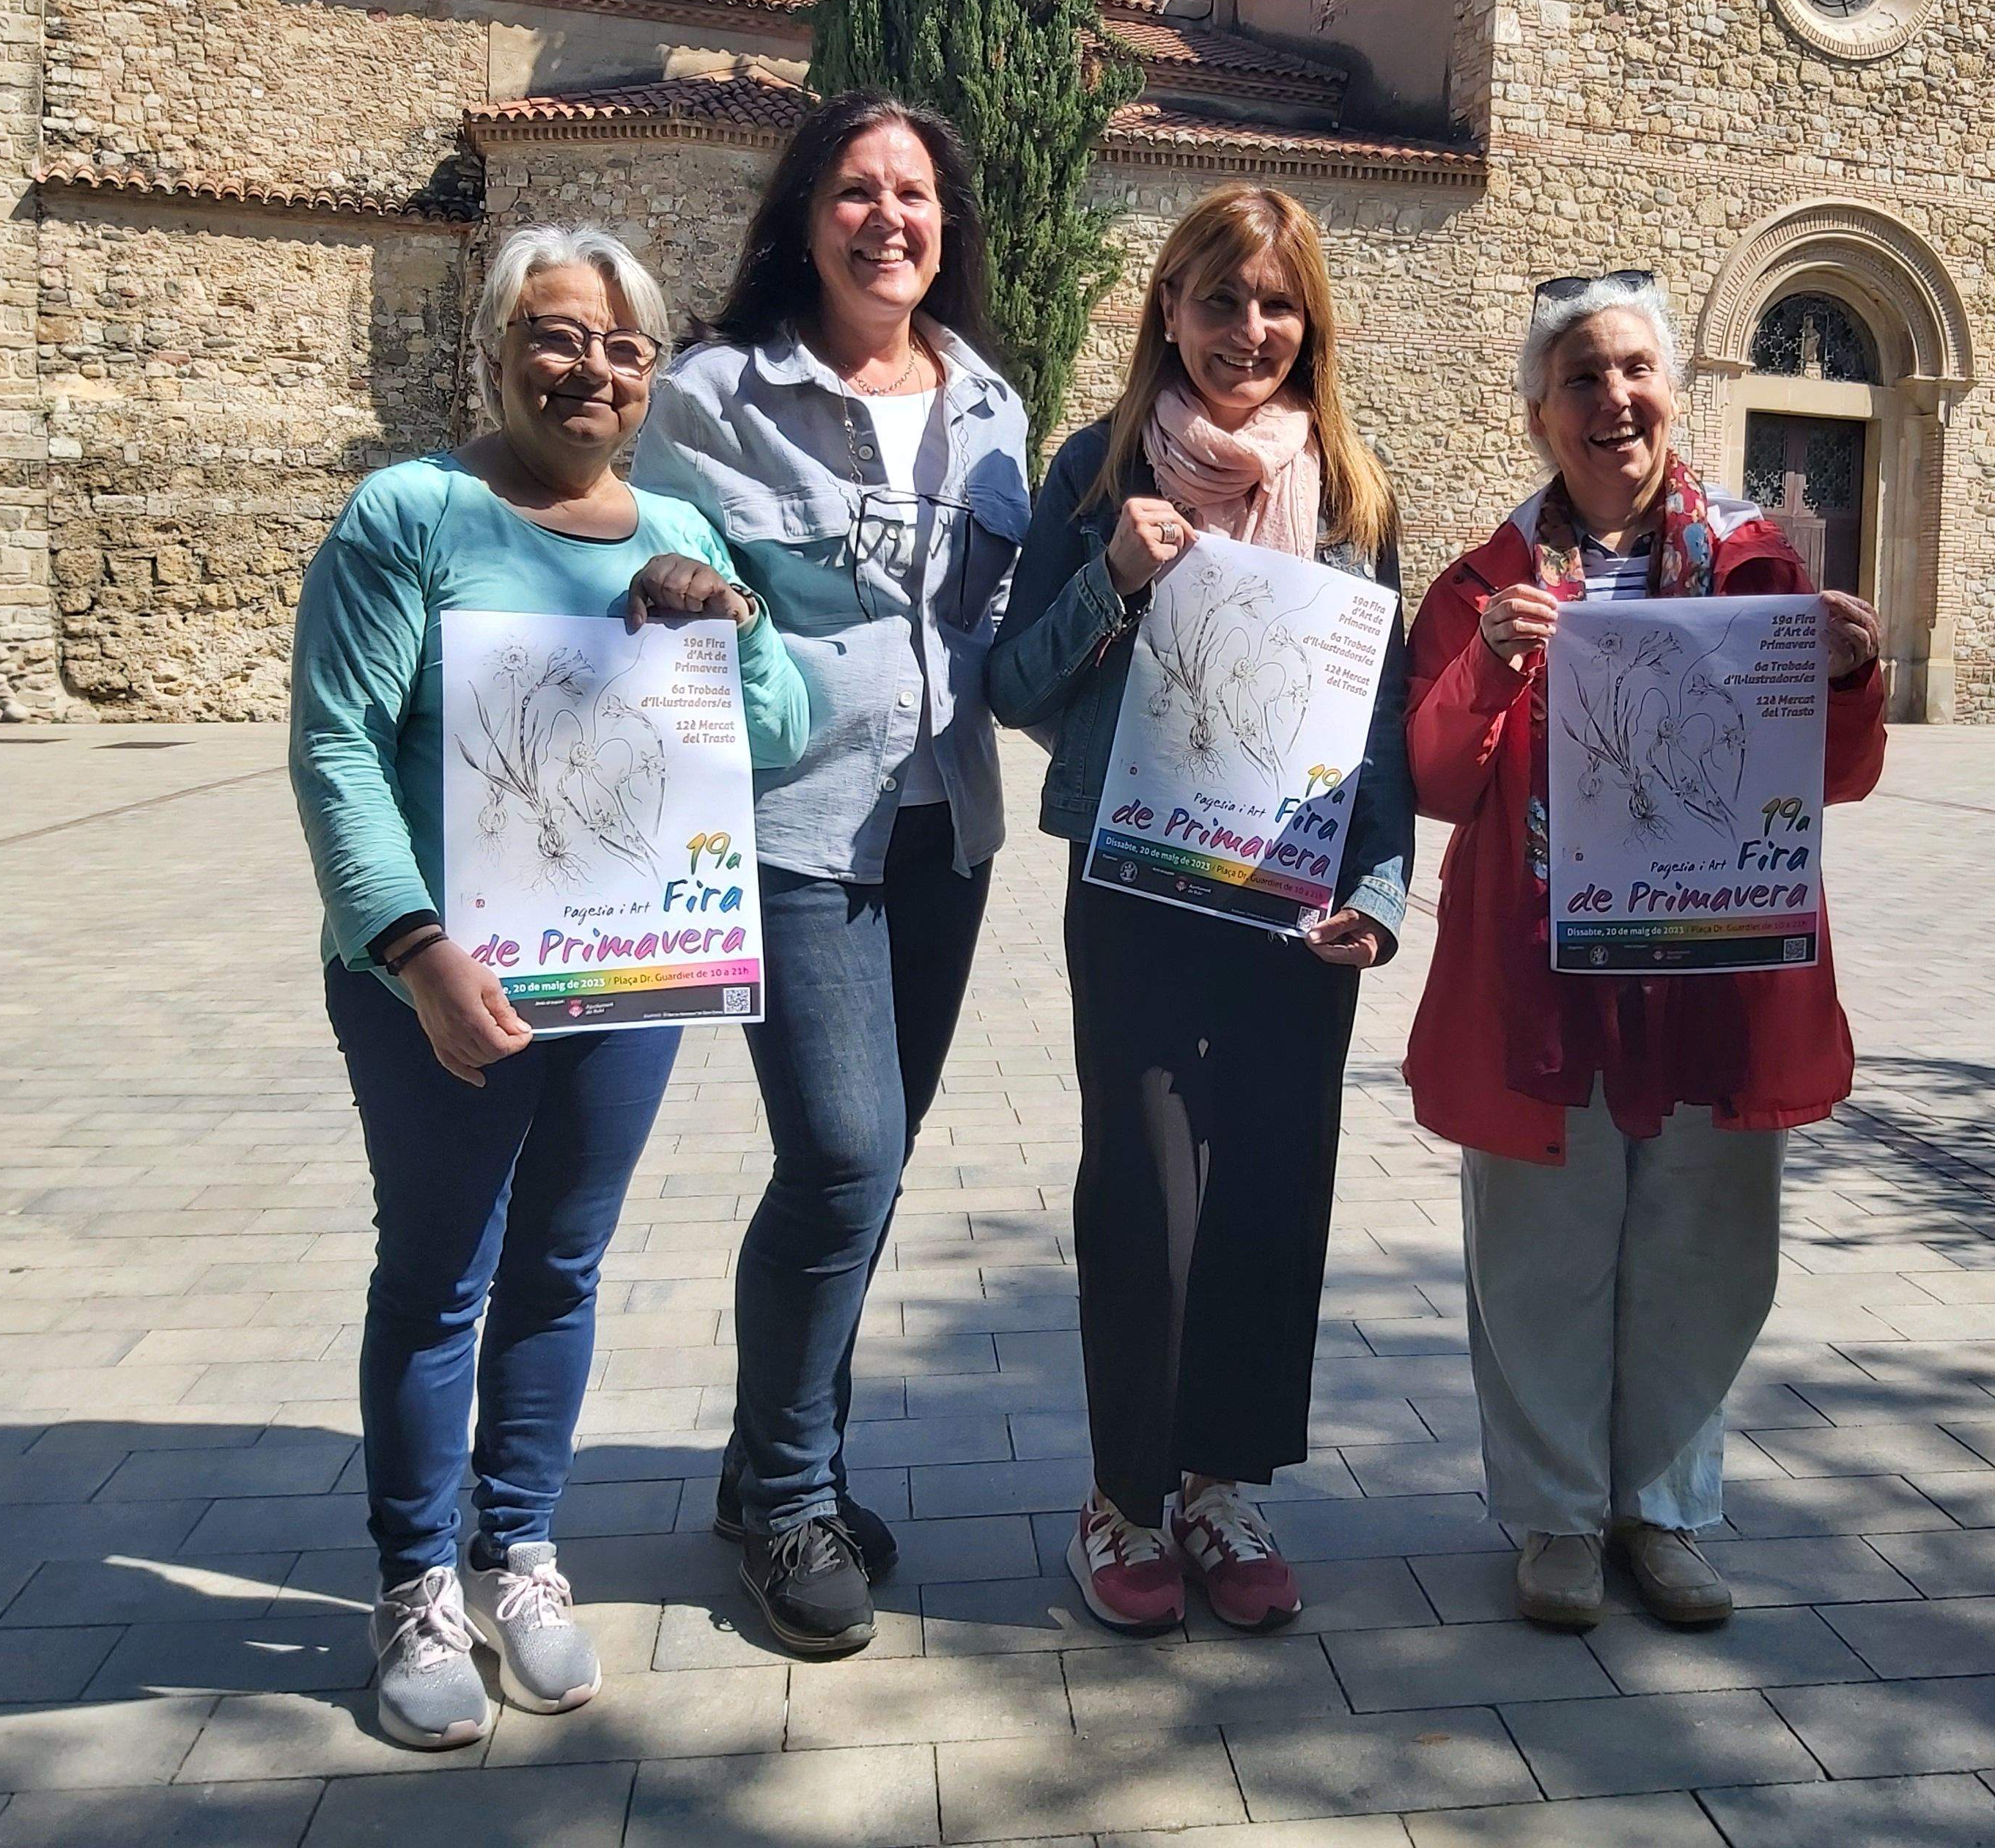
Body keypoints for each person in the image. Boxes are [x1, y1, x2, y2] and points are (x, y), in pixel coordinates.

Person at [288, 225, 808, 1748]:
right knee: (443, 1271)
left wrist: (737, 620)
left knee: (562, 1272)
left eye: (621, 346)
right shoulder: (415, 515)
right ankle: (412, 1582)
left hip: (623, 973)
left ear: (650, 374)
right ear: (498, 352)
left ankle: (519, 1550)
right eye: (557, 336)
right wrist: (412, 947)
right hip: (436, 987)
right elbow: (336, 747)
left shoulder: (686, 525)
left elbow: (768, 735)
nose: (591, 367)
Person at [1403, 270, 1885, 1631]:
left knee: (1705, 1245)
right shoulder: (1486, 582)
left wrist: (1847, 677)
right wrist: (1493, 663)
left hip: (1719, 971)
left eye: (1633, 371)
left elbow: (1831, 781)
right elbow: (1433, 776)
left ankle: (1663, 1510)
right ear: (1541, 415)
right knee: (1540, 1254)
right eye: (1580, 378)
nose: (1613, 399)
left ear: (1673, 391)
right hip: (1541, 975)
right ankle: (1556, 1520)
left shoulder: (1759, 563)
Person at [628, 90, 1031, 1658]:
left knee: (869, 1169)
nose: (888, 219)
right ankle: (783, 1493)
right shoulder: (723, 395)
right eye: (856, 192)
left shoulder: (993, 403)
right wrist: (659, 591)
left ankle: (784, 1465)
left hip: (946, 829)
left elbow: (1010, 629)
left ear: (950, 227)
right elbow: (633, 564)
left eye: (916, 195)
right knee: (846, 1156)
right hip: (787, 826)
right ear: (805, 217)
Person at [989, 183, 1412, 1635]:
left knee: (1271, 1189)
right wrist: (1112, 577)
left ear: (1311, 326)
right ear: (1168, 308)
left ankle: (1222, 1488)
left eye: (1275, 303)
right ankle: (1120, 1499)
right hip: (1146, 889)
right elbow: (1015, 686)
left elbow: (1387, 731)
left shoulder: (1355, 492)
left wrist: (1377, 888)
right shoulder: (1093, 476)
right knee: (1149, 1195)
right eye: (1219, 299)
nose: (1247, 330)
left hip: (1297, 912)